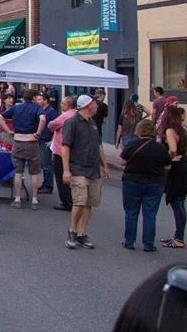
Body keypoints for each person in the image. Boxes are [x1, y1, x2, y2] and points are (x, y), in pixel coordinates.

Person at [61, 94, 110, 250]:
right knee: (80, 201)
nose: (97, 106)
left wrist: (105, 165)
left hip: (93, 168)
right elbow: (65, 147)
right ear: (88, 105)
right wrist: (66, 170)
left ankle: (82, 234)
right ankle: (72, 231)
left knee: (90, 202)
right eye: (95, 104)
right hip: (78, 167)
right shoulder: (72, 122)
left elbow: (99, 145)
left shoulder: (92, 123)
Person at [120, 118, 171, 251]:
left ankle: (129, 241)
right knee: (150, 214)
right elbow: (167, 165)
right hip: (154, 183)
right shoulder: (160, 148)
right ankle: (148, 243)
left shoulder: (132, 145)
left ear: (139, 130)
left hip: (132, 181)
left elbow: (122, 162)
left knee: (131, 213)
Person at [0, 89, 46, 210]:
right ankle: (35, 200)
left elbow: (0, 117)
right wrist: (38, 133)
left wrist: (8, 131)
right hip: (32, 141)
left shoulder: (17, 107)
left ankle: (17, 199)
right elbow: (42, 119)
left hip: (18, 141)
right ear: (34, 97)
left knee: (18, 172)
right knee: (34, 172)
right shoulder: (37, 108)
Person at [160, 105, 187, 249]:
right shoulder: (183, 130)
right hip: (183, 167)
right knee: (180, 202)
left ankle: (179, 238)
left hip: (176, 169)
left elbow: (173, 149)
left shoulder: (170, 130)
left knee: (177, 203)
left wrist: (168, 159)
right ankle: (178, 235)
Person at [48, 96, 77, 212]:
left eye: (62, 104)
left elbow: (52, 125)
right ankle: (74, 199)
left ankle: (66, 202)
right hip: (74, 151)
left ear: (67, 105)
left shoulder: (65, 116)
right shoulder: (77, 115)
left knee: (61, 177)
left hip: (61, 150)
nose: (61, 105)